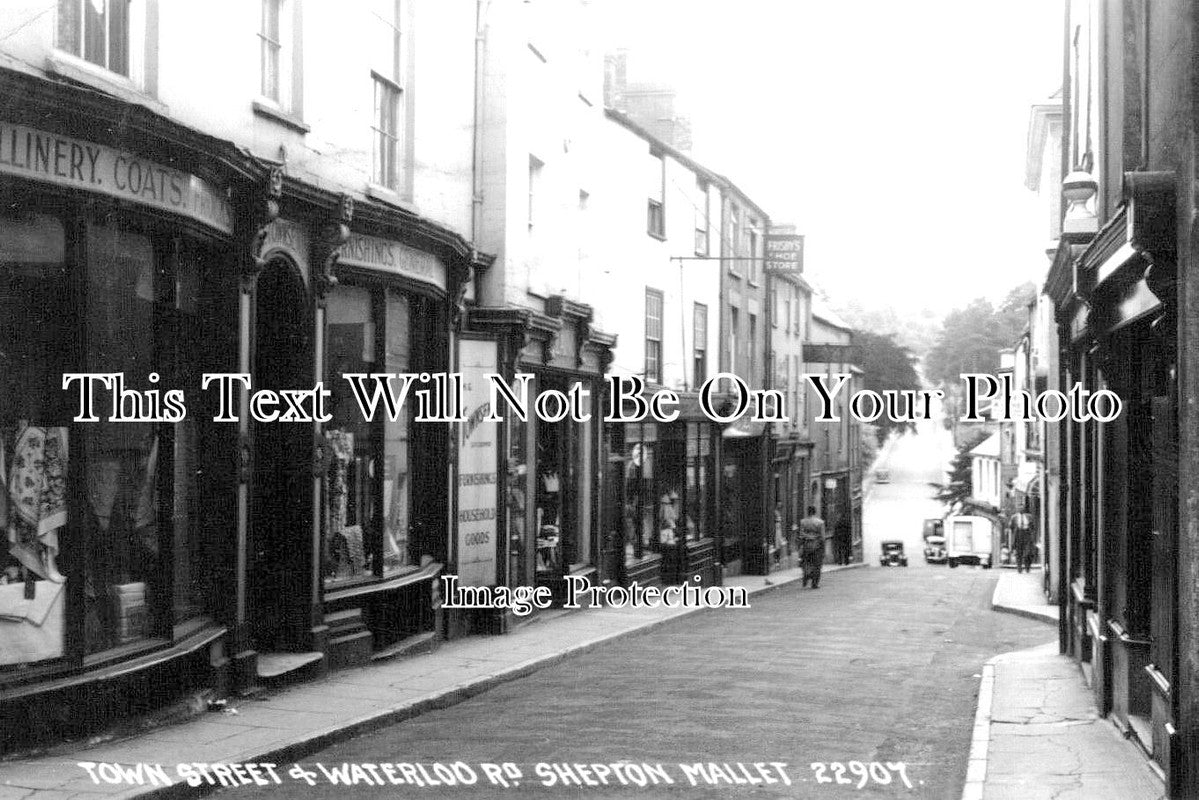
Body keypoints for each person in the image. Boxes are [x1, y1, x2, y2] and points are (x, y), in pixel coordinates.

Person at [798, 506, 827, 589]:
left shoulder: (803, 522)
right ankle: (814, 583)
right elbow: (822, 537)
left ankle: (807, 574)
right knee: (817, 565)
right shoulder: (820, 522)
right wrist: (823, 548)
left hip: (806, 545)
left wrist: (801, 544)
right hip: (817, 546)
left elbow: (801, 534)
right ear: (815, 512)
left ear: (807, 512)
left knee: (806, 562)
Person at [1012, 508, 1034, 573]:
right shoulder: (1014, 517)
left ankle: (1027, 567)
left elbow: (1033, 526)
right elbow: (1011, 527)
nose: (1021, 509)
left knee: (1028, 553)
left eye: (1022, 507)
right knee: (1019, 553)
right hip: (1018, 534)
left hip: (1027, 533)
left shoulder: (1029, 516)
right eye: (1019, 507)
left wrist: (1031, 534)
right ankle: (1019, 569)